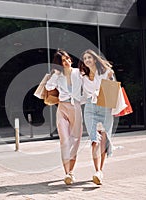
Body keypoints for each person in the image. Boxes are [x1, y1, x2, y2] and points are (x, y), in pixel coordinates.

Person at [45, 49, 83, 185]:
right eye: (63, 61)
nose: (66, 62)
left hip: (76, 108)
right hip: (62, 108)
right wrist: (55, 74)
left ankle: (71, 171)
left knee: (75, 141)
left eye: (67, 59)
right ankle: (67, 173)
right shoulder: (58, 75)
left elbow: (91, 82)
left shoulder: (78, 73)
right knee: (64, 141)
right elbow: (49, 87)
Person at [78, 49, 114, 185]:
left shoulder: (105, 73)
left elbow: (111, 90)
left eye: (89, 58)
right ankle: (96, 170)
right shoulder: (83, 77)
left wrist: (110, 78)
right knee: (94, 139)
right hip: (90, 108)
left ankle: (100, 171)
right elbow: (82, 94)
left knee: (104, 139)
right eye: (85, 58)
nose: (87, 60)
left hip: (104, 105)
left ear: (94, 59)